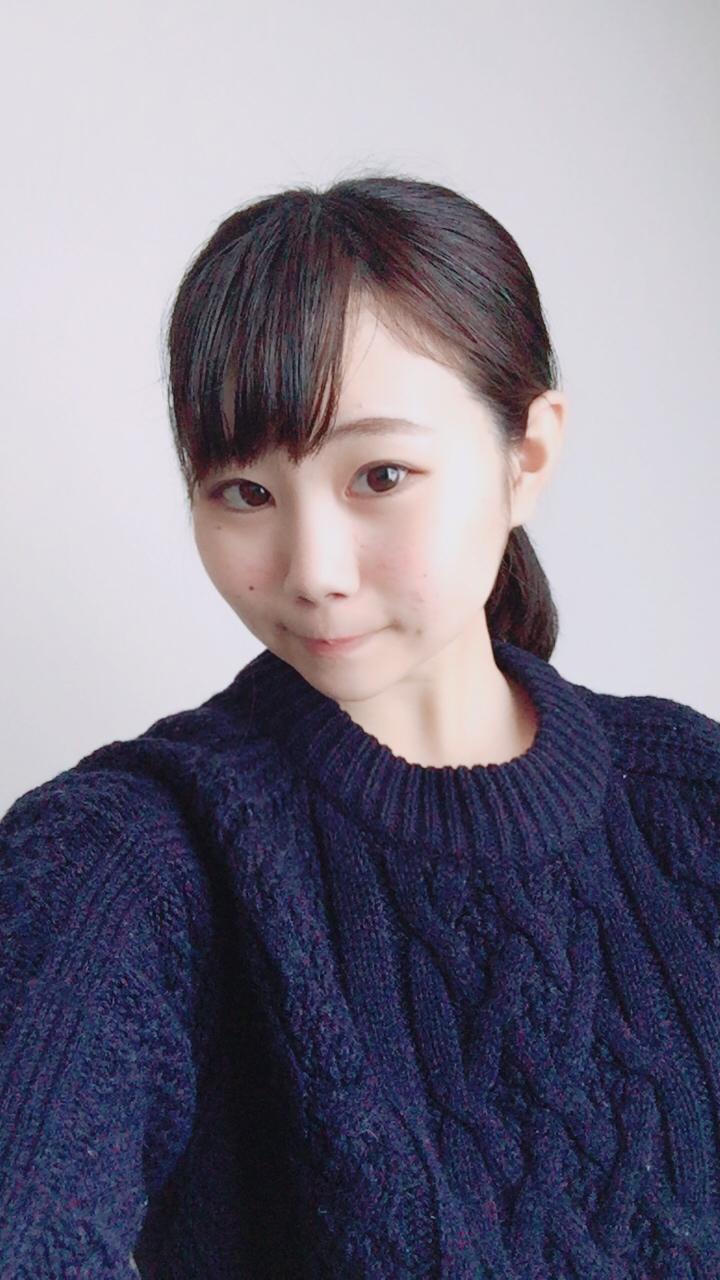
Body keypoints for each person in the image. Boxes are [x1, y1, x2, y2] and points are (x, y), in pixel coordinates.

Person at [1, 173, 718, 1279]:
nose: (312, 571)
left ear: (527, 456)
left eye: (380, 475)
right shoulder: (130, 853)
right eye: (244, 493)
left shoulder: (693, 800)